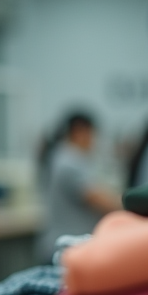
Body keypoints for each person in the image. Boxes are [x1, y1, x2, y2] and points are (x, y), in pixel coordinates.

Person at [36, 111, 120, 262]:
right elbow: (101, 201)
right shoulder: (69, 162)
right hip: (65, 249)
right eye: (92, 135)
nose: (94, 142)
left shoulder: (64, 157)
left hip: (65, 246)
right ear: (79, 131)